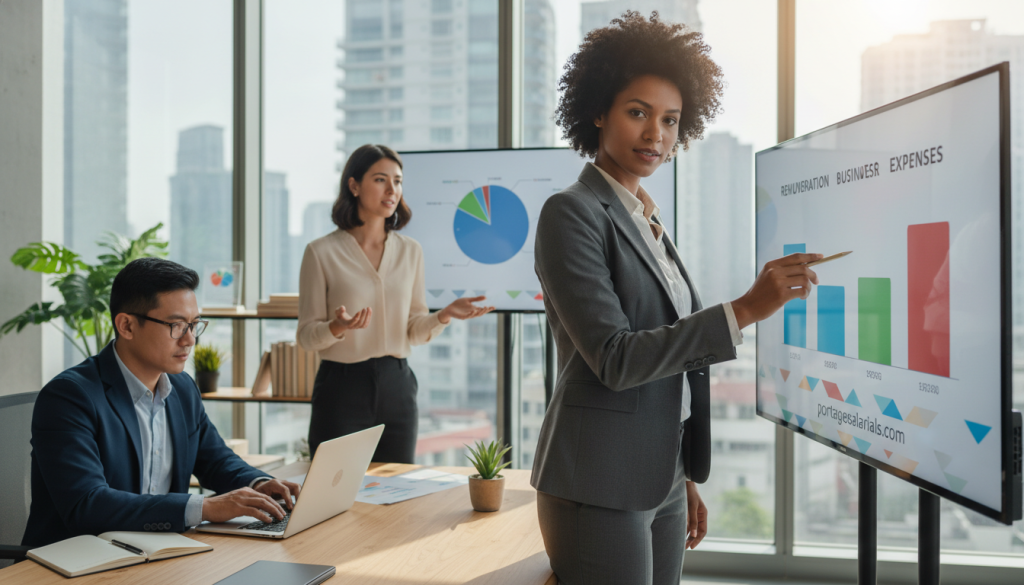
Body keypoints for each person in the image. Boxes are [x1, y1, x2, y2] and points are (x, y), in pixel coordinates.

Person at [530, 12, 822, 585]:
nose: (655, 134)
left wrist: (683, 473)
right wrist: (745, 310)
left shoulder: (647, 219)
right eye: (637, 112)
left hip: (660, 471)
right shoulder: (571, 212)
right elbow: (615, 357)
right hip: (598, 480)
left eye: (670, 120)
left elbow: (671, 358)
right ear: (598, 112)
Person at [22, 258, 301, 548]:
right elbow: (87, 504)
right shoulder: (69, 397)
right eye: (177, 325)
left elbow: (216, 459)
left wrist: (260, 484)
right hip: (77, 560)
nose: (190, 340)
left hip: (161, 551)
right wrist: (205, 507)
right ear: (127, 325)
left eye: (194, 325)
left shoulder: (181, 388)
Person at [298, 144, 494, 463]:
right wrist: (337, 327)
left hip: (398, 387)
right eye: (380, 180)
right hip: (341, 388)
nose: (392, 190)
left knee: (399, 495)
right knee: (333, 495)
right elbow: (306, 336)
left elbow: (414, 331)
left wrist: (442, 316)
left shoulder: (410, 251)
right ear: (354, 185)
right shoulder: (321, 253)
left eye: (398, 181)